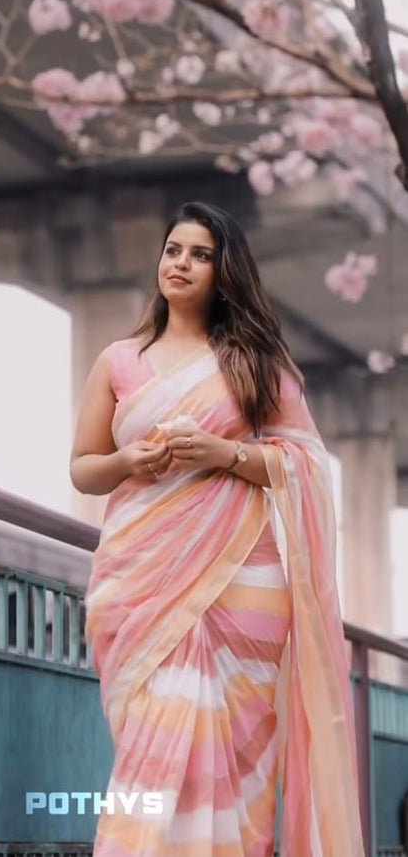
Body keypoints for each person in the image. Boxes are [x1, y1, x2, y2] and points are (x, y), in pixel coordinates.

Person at [70, 200, 366, 857]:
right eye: (173, 249)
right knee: (150, 753)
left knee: (231, 753)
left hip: (242, 585)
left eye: (200, 254)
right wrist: (128, 461)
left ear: (223, 271)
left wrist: (223, 452)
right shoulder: (118, 361)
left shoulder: (257, 364)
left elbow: (304, 465)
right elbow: (84, 468)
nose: (180, 263)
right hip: (139, 582)